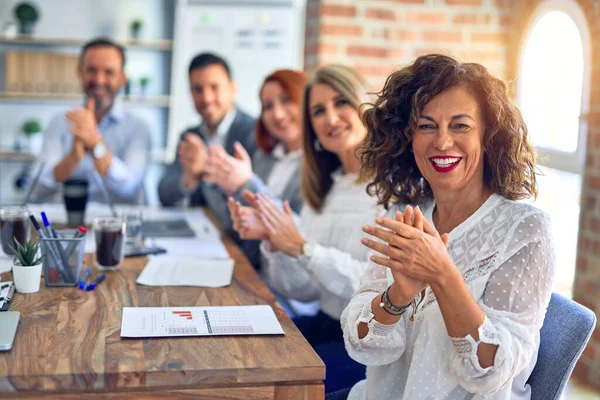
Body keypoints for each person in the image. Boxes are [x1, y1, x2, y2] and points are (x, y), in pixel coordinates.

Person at [336, 54, 555, 400]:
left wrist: (443, 275)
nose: (442, 142)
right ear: (407, 138)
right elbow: (362, 342)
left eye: (460, 125)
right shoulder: (406, 216)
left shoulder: (526, 229)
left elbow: (491, 371)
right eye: (426, 126)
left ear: (488, 136)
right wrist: (398, 297)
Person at [228, 65, 377, 392]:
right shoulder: (325, 189)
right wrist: (274, 241)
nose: (331, 118)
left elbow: (378, 289)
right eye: (318, 111)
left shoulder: (390, 189)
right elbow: (304, 290)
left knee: (276, 382)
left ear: (363, 105)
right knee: (238, 354)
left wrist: (304, 249)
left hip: (370, 343)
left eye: (341, 103)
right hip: (327, 322)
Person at [200, 69, 307, 267]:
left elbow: (298, 230)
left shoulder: (318, 167)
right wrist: (217, 181)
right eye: (268, 106)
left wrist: (246, 183)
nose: (277, 113)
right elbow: (234, 225)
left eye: (286, 100)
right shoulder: (264, 157)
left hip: (289, 282)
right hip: (252, 268)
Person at [35, 38, 152, 204]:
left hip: (117, 225)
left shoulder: (139, 127)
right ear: (80, 73)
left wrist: (96, 144)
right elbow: (37, 188)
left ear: (122, 78)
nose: (99, 80)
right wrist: (73, 157)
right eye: (91, 70)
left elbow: (130, 187)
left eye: (109, 72)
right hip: (65, 223)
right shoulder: (59, 122)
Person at [158, 53, 256, 207]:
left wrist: (205, 167)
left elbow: (253, 200)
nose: (206, 98)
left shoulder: (254, 132)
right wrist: (188, 180)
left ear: (233, 89)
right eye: (198, 89)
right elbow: (164, 193)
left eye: (214, 87)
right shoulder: (190, 136)